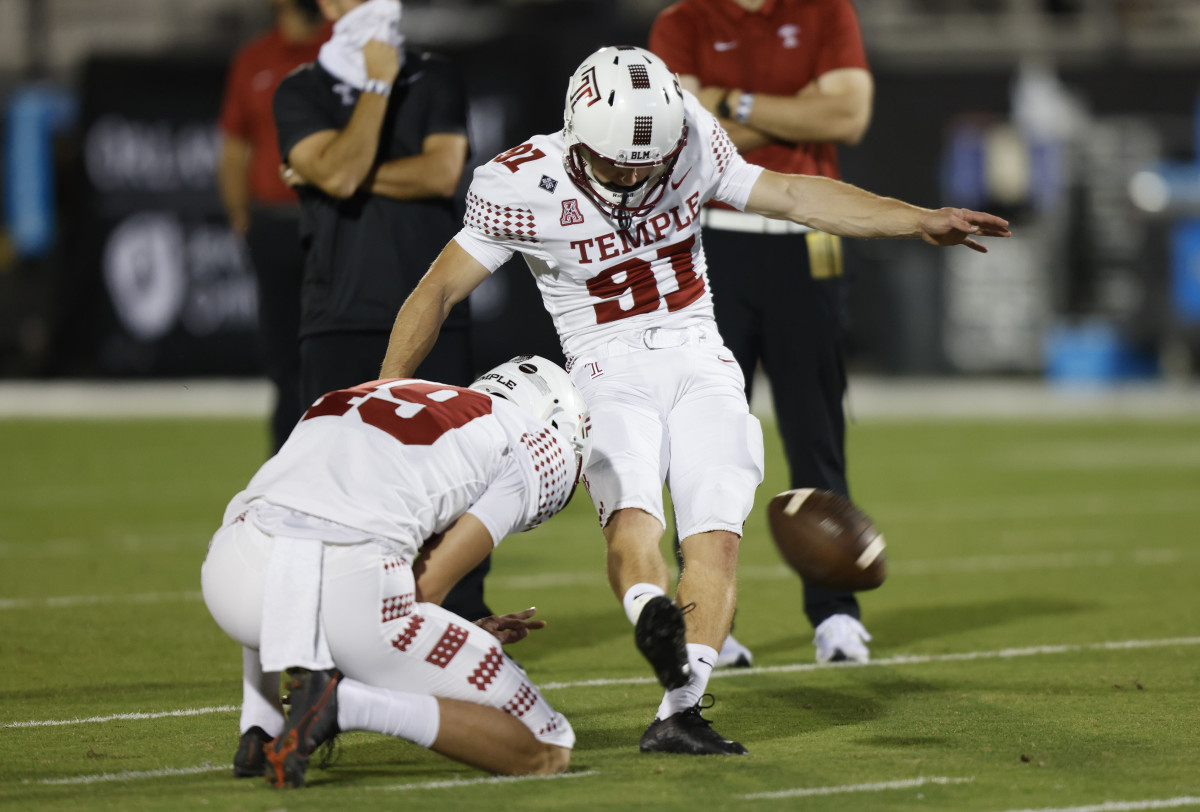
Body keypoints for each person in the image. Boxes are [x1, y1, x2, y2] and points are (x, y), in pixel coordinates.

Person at [378, 46, 1009, 756]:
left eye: (643, 164)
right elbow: (438, 288)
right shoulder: (521, 181)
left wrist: (917, 219)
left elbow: (799, 196)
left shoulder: (686, 136)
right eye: (615, 163)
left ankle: (681, 706)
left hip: (704, 360)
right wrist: (384, 390)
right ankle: (653, 614)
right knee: (636, 523)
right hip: (605, 369)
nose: (632, 176)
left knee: (715, 537)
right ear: (575, 131)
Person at [201, 355, 589, 787]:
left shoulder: (369, 391)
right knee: (548, 748)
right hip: (348, 593)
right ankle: (347, 706)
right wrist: (462, 636)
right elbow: (426, 589)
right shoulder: (532, 441)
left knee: (279, 509)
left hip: (230, 580)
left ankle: (260, 721)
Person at [648, 0, 876, 667]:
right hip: (713, 245)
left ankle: (836, 616)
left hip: (809, 242)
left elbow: (848, 116)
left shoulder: (825, 10)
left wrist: (729, 103)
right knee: (706, 442)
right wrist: (792, 104)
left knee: (818, 434)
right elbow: (675, 142)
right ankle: (705, 617)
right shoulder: (682, 21)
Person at [272, 0, 492, 622]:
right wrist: (375, 83)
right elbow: (344, 178)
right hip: (337, 315)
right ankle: (327, 630)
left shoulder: (434, 74)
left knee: (454, 477)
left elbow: (441, 172)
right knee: (330, 483)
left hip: (432, 307)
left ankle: (462, 623)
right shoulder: (301, 90)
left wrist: (336, 171)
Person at [216, 0, 331, 453]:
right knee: (284, 355)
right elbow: (234, 145)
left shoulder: (343, 50)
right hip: (274, 225)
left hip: (332, 222)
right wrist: (242, 216)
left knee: (335, 348)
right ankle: (286, 462)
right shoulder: (254, 59)